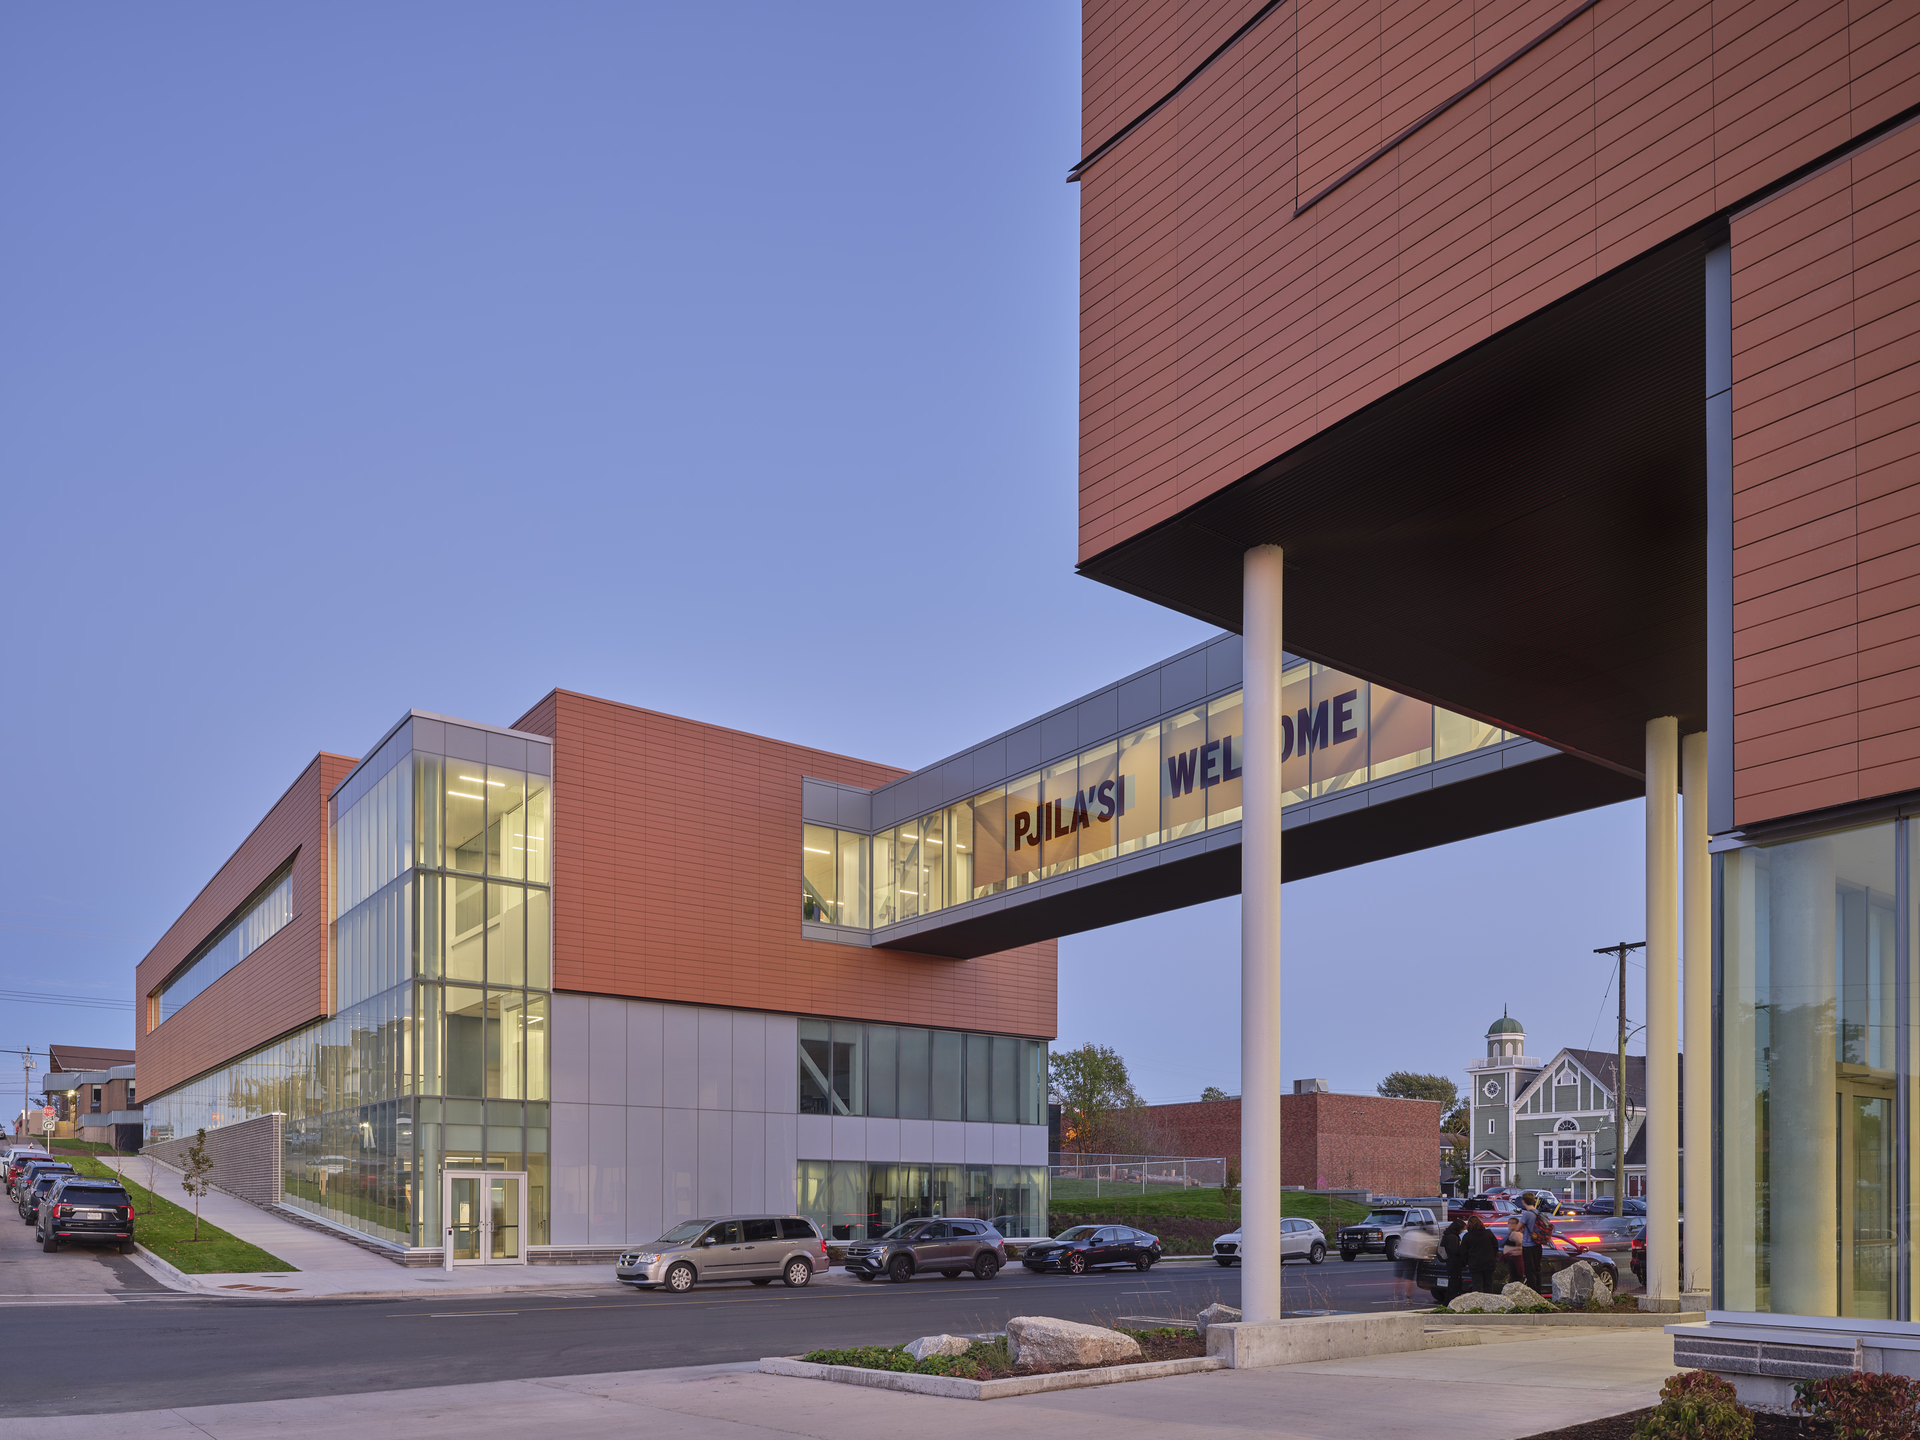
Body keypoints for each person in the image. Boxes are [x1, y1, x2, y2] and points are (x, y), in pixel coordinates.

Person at [1395, 1219, 1439, 1305]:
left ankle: (1395, 1293)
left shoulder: (1410, 1233)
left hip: (1401, 1255)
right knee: (1409, 1278)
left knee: (1398, 1276)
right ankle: (1407, 1296)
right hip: (1411, 1258)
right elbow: (1430, 1251)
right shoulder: (1427, 1237)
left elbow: (1401, 1244)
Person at [1462, 1213, 1500, 1296]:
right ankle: (1489, 1304)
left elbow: (1463, 1252)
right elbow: (1495, 1246)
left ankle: (1478, 1305)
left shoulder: (1467, 1236)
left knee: (1477, 1285)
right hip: (1489, 1263)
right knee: (1488, 1284)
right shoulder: (1488, 1233)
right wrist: (1492, 1256)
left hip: (1475, 1263)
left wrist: (1468, 1261)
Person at [1521, 1197, 1550, 1292]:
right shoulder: (1538, 1213)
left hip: (1528, 1245)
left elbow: (1517, 1228)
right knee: (1537, 1268)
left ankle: (1532, 1290)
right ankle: (1538, 1291)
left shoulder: (1527, 1214)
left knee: (1529, 1269)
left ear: (1523, 1201)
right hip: (1538, 1244)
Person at [1440, 1214, 1468, 1298]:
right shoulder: (1452, 1237)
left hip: (1451, 1263)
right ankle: (1449, 1301)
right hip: (1454, 1263)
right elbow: (1455, 1251)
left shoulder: (1447, 1235)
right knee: (1454, 1284)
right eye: (1462, 1229)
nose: (1462, 1231)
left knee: (1453, 1283)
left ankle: (1449, 1300)